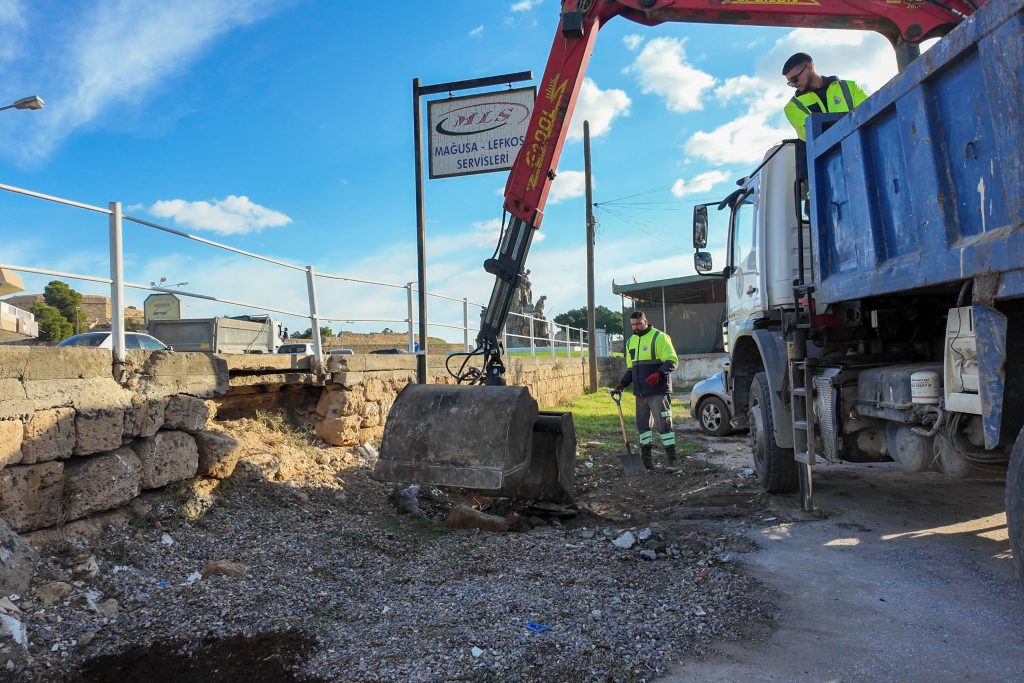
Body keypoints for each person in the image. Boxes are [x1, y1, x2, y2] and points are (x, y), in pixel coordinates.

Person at [613, 311, 679, 469]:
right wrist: (621, 385)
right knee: (643, 428)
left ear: (645, 321)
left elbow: (672, 361)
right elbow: (631, 369)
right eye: (633, 324)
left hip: (658, 392)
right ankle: (646, 462)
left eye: (639, 323)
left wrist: (658, 373)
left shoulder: (660, 337)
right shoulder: (630, 342)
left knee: (664, 426)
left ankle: (672, 461)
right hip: (640, 393)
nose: (636, 327)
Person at [782, 52, 868, 141]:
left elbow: (868, 113)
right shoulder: (793, 106)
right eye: (790, 83)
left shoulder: (849, 87)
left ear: (809, 68)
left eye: (795, 79)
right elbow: (813, 135)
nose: (794, 85)